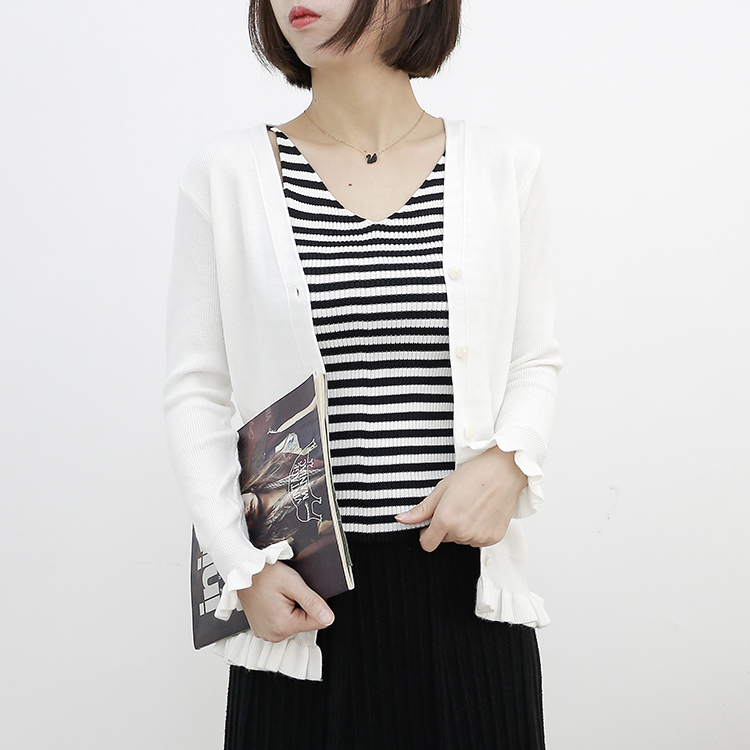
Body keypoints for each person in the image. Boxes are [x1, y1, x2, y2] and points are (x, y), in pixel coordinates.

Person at [164, 0, 562, 747]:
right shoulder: (228, 175)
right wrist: (241, 566)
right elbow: (196, 390)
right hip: (301, 596)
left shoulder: (504, 166)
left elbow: (534, 357)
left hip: (466, 592)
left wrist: (511, 460)